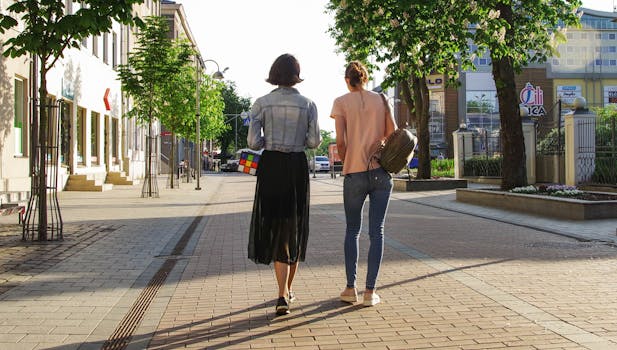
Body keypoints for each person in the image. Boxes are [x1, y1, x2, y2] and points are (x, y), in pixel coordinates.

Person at [247, 53, 321, 316]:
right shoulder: (308, 104)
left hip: (272, 167)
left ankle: (281, 294)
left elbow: (254, 143)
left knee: (276, 225)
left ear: (274, 73)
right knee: (294, 226)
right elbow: (313, 143)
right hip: (296, 167)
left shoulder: (261, 103)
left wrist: (267, 136)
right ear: (296, 74)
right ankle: (286, 291)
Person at [330, 61, 396, 307]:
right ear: (365, 79)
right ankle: (370, 292)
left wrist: (349, 163)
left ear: (347, 80)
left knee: (352, 230)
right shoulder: (381, 99)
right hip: (380, 171)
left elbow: (341, 141)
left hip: (354, 173)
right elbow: (393, 131)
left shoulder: (340, 102)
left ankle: (350, 289)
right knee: (376, 231)